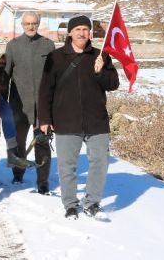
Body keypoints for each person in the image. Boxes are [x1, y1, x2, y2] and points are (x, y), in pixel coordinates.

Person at [37, 15, 119, 219]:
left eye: (85, 29)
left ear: (90, 32)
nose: (82, 33)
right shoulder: (55, 57)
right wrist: (45, 119)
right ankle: (71, 204)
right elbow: (45, 90)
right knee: (67, 165)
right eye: (78, 29)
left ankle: (92, 203)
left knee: (100, 162)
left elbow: (113, 84)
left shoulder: (101, 56)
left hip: (96, 120)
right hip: (66, 120)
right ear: (70, 33)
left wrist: (101, 72)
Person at [4, 12, 56, 191]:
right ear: (22, 25)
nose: (30, 27)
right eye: (27, 24)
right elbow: (6, 76)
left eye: (34, 23)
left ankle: (43, 183)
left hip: (42, 107)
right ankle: (18, 175)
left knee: (42, 143)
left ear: (39, 23)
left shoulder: (48, 45)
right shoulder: (13, 46)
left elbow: (55, 77)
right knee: (19, 143)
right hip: (19, 107)